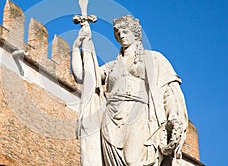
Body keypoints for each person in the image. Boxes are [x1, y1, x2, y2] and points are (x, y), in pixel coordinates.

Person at [71, 15, 188, 166]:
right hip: (111, 118)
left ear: (135, 34)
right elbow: (82, 76)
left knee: (133, 161)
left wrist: (173, 115)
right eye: (118, 33)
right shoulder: (112, 66)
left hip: (139, 112)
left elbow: (169, 91)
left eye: (125, 31)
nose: (121, 35)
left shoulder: (154, 59)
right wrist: (77, 45)